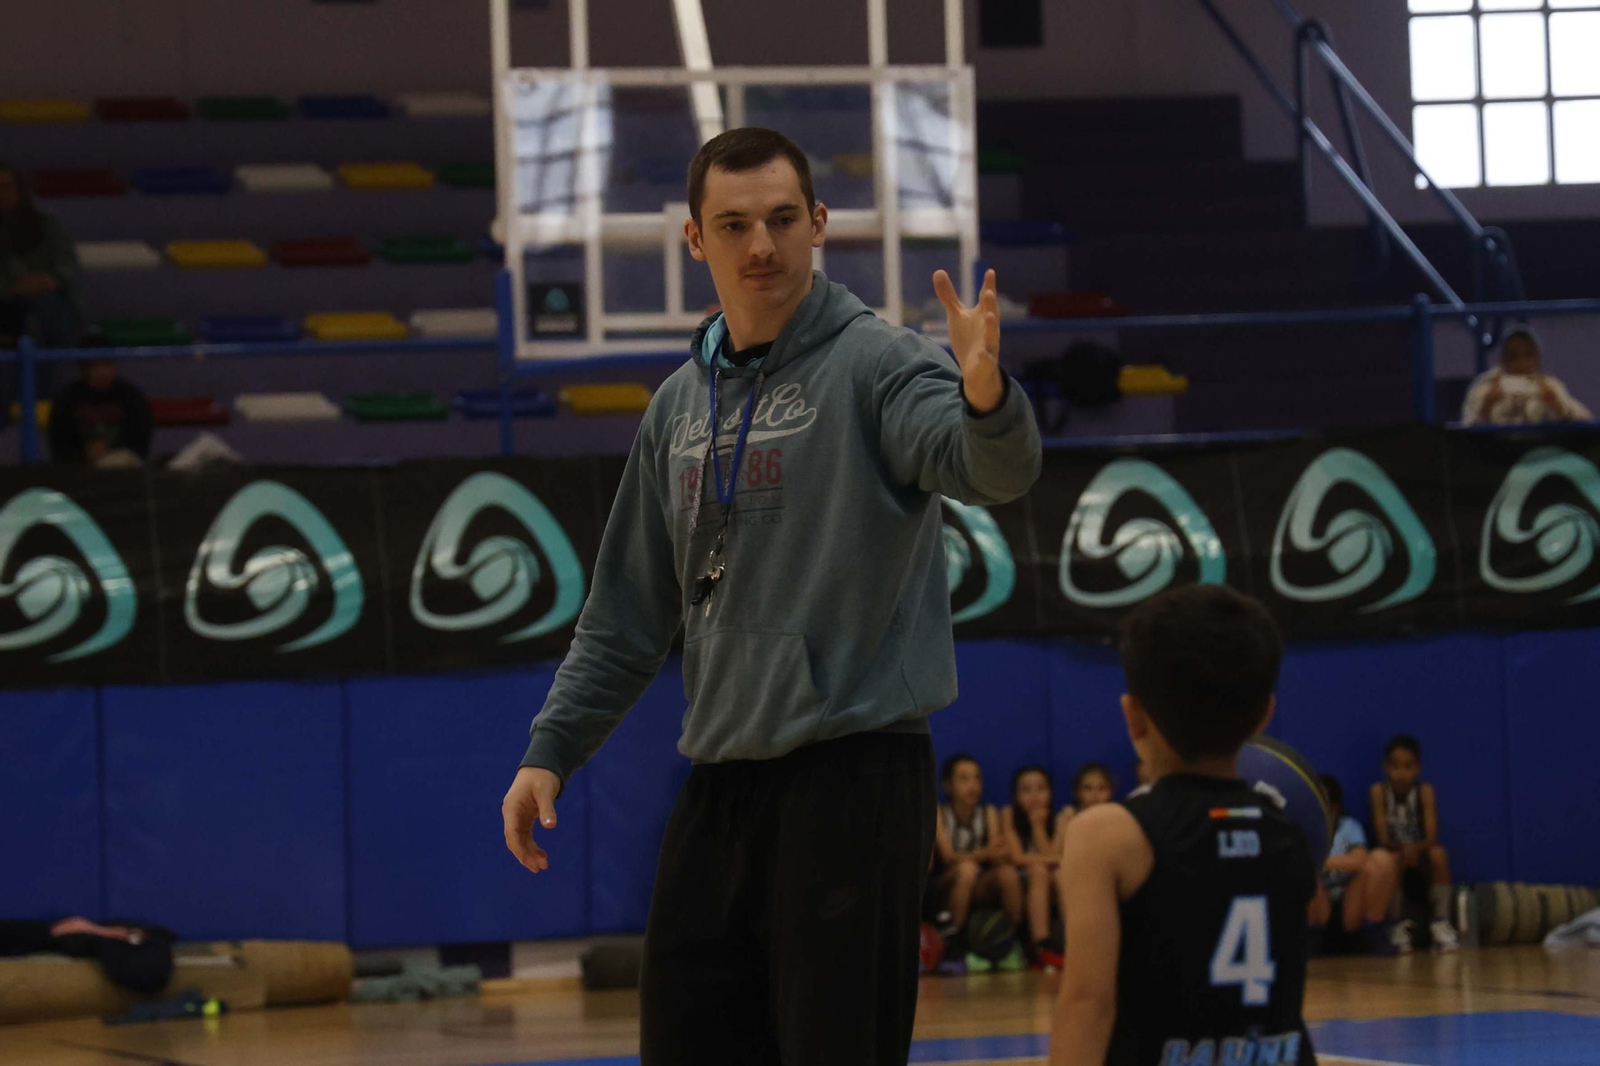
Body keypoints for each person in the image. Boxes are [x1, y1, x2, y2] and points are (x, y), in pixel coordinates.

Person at [500, 126, 1042, 1066]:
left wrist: (986, 396)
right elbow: (627, 609)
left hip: (853, 779)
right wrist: (551, 751)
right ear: (694, 241)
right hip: (720, 785)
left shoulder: (881, 363)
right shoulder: (679, 404)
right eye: (736, 223)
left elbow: (986, 469)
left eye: (784, 219)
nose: (763, 244)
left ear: (820, 224)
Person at [1050, 585, 1316, 1066]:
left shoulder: (1106, 834)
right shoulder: (1291, 826)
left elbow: (1088, 1002)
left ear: (1133, 717)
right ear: (1264, 716)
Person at [1370, 734, 1459, 953]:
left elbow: (1431, 836)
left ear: (1417, 768)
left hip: (1420, 854)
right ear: (1385, 767)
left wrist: (1414, 849)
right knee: (1391, 859)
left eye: (1408, 766)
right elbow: (1381, 838)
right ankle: (1397, 924)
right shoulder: (1379, 792)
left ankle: (1440, 921)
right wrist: (1403, 849)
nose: (1401, 773)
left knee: (1439, 854)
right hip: (1395, 853)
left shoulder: (1425, 792)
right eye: (1395, 766)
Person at [1315, 774, 1402, 956]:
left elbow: (1359, 860)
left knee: (1382, 858)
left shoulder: (1349, 827)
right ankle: (1309, 937)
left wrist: (1321, 862)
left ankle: (1371, 932)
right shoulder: (1304, 829)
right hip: (1318, 905)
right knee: (1303, 874)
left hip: (1349, 905)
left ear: (1337, 807)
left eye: (1328, 804)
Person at [934, 754, 1021, 938]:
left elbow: (996, 854)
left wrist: (998, 852)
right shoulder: (939, 813)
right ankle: (954, 939)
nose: (972, 786)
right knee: (967, 869)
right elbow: (948, 856)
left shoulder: (988, 812)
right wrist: (986, 853)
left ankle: (1012, 939)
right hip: (944, 884)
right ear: (948, 785)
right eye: (964, 779)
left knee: (1008, 873)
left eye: (977, 778)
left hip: (979, 881)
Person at [0, 162, 82, 347]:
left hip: (46, 300)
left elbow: (67, 263)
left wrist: (49, 279)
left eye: (6, 188)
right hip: (4, 302)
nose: (1, 195)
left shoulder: (48, 225)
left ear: (20, 190)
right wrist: (12, 287)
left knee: (47, 308)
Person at [1001, 764, 1068, 970]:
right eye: (1026, 790)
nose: (1034, 795)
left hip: (1050, 884)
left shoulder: (1061, 818)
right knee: (1039, 870)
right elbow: (1017, 858)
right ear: (1015, 795)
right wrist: (1047, 858)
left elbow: (1058, 857)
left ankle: (1073, 940)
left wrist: (1038, 828)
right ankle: (1041, 945)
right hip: (1021, 882)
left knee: (1060, 873)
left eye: (1041, 788)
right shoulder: (1008, 814)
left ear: (1051, 792)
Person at [1461, 328, 1592, 426]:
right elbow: (1465, 429)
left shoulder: (1549, 385)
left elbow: (1586, 422)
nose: (1521, 363)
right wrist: (1486, 407)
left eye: (1528, 355)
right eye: (1513, 356)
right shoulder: (1486, 387)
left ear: (1537, 358)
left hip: (1541, 452)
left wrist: (1558, 407)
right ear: (1503, 360)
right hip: (1496, 452)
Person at [47, 352, 153, 466]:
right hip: (78, 468)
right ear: (83, 369)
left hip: (121, 468)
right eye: (96, 366)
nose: (103, 372)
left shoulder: (132, 397)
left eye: (107, 365)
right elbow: (59, 444)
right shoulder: (66, 398)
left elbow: (140, 444)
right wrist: (85, 454)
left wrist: (110, 453)